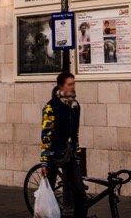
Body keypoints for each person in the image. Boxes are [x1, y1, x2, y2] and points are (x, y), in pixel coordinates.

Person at [40, 72, 87, 217]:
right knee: (49, 191)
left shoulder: (75, 105)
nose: (73, 86)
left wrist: (77, 154)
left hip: (69, 153)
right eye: (69, 84)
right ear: (61, 86)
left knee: (80, 191)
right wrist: (44, 161)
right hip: (54, 153)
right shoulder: (51, 106)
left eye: (73, 83)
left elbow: (75, 133)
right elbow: (46, 135)